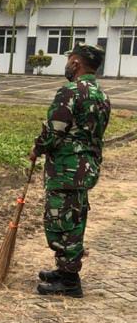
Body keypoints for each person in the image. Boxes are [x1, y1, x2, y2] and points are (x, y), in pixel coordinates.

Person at [30, 45, 110, 298]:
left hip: (67, 168)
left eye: (69, 60)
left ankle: (70, 281)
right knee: (74, 219)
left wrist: (37, 148)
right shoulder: (101, 95)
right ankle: (64, 269)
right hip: (86, 167)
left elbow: (55, 130)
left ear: (76, 63)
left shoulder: (71, 91)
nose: (67, 64)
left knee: (60, 223)